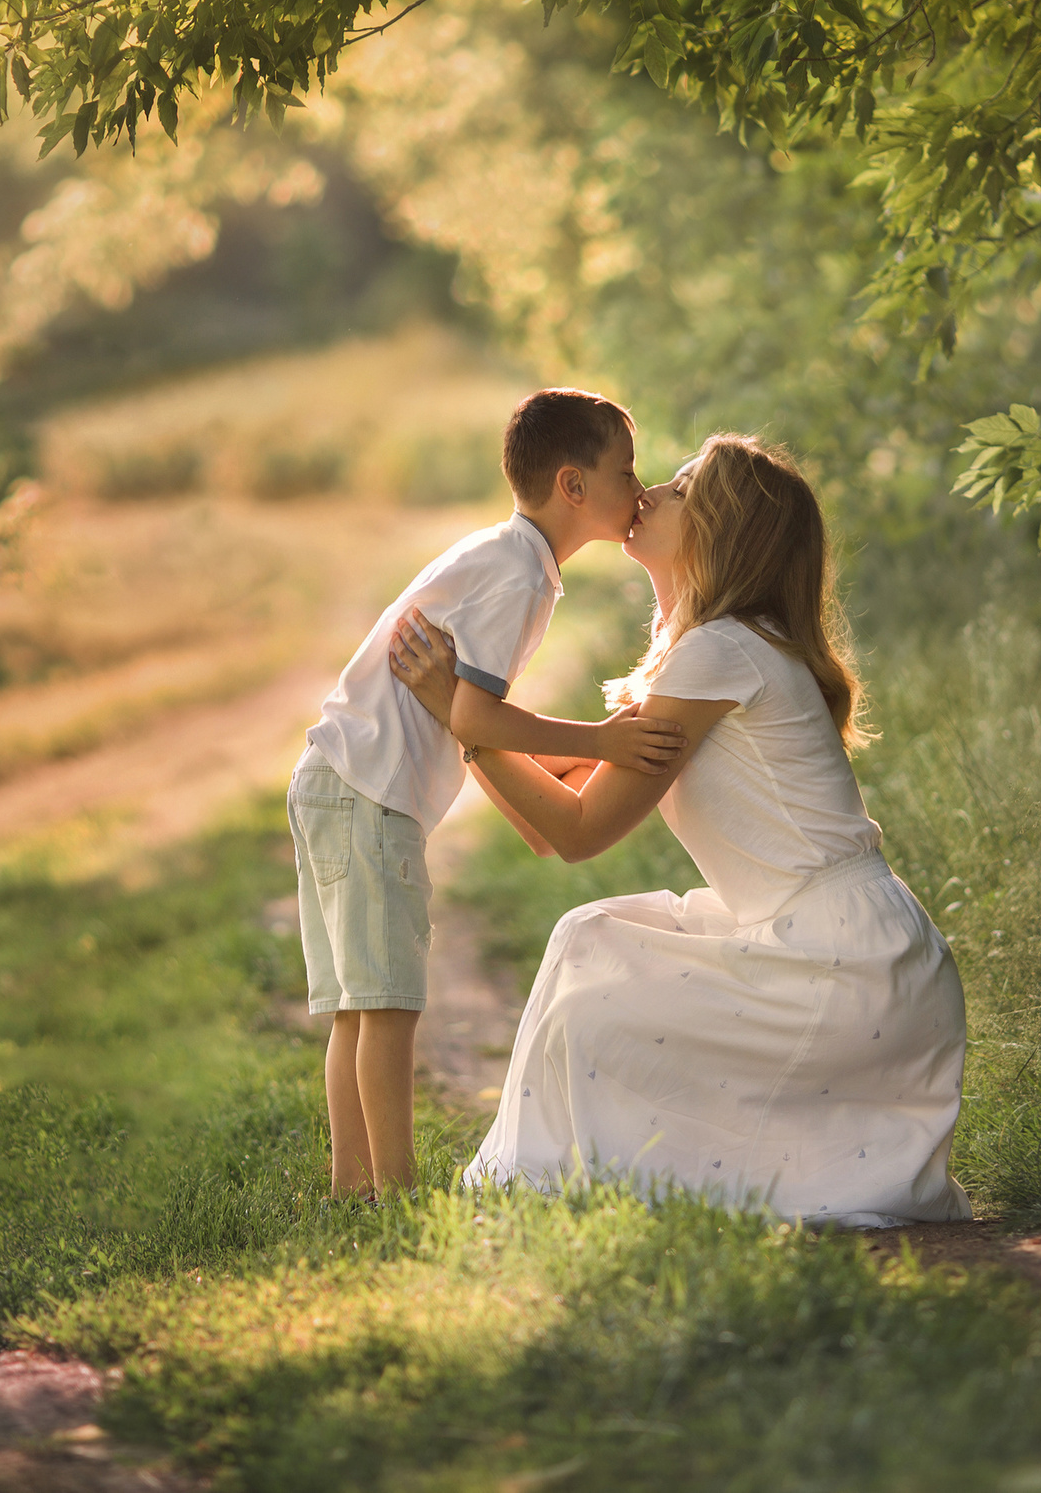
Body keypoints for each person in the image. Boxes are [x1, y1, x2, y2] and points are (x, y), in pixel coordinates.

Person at [389, 434, 972, 1227]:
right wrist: (471, 716)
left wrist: (460, 717)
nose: (652, 491)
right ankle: (548, 1191)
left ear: (720, 533)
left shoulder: (721, 652)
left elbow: (577, 831)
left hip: (845, 965)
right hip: (828, 940)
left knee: (594, 1012)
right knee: (590, 935)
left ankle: (550, 1198)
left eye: (683, 489)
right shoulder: (710, 651)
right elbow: (549, 816)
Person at [291, 388, 687, 1200]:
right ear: (572, 486)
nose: (639, 488)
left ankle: (350, 1189)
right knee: (387, 1003)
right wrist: (600, 741)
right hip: (368, 790)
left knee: (358, 1006)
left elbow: (466, 712)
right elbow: (474, 715)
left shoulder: (507, 558)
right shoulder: (519, 576)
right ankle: (392, 1194)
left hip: (335, 780)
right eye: (625, 469)